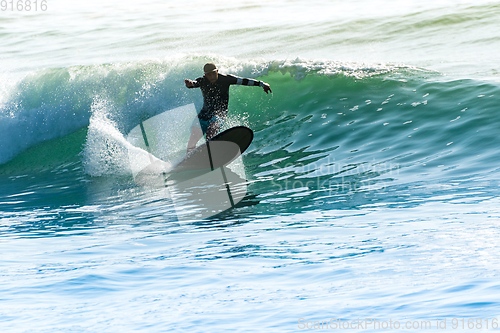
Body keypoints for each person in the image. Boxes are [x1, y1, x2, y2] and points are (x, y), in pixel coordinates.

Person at [184, 63, 272, 153]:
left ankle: (212, 155)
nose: (212, 76)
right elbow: (194, 83)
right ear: (205, 75)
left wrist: (262, 84)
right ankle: (188, 161)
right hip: (203, 115)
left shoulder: (226, 79)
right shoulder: (202, 81)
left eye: (214, 73)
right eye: (209, 75)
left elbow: (244, 81)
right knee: (191, 143)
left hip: (219, 114)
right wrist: (189, 84)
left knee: (211, 133)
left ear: (217, 71)